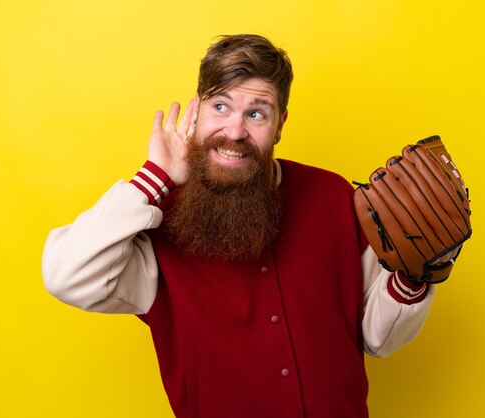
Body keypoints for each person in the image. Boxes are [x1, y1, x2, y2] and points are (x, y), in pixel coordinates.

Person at [42, 34, 436, 418]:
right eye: (220, 107)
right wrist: (154, 177)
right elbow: (66, 276)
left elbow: (378, 338)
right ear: (196, 112)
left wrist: (415, 275)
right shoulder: (154, 216)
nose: (235, 131)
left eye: (256, 113)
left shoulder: (332, 195)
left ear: (280, 124)